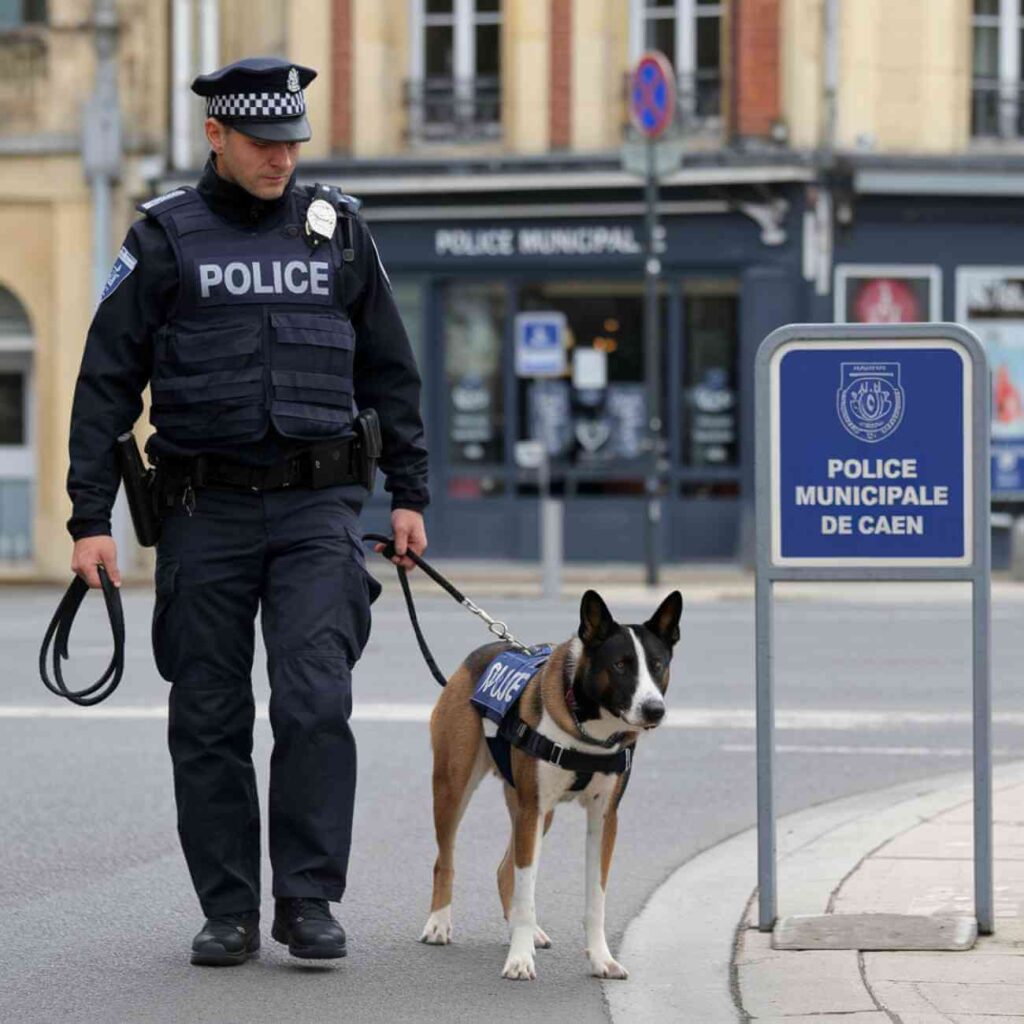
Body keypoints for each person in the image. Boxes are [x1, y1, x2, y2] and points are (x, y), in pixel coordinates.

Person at [65, 57, 429, 966]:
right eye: (264, 143)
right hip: (204, 510)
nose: (281, 158)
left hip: (317, 508)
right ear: (216, 137)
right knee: (210, 715)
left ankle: (307, 900)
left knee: (314, 703)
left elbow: (389, 366)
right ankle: (227, 907)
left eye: (292, 142)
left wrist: (411, 493)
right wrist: (88, 519)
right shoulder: (162, 237)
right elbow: (104, 382)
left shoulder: (338, 232)